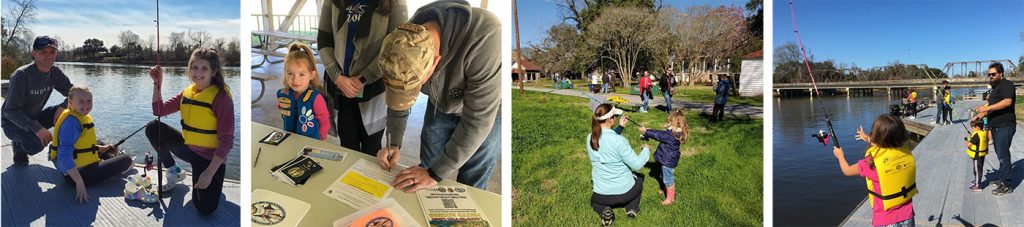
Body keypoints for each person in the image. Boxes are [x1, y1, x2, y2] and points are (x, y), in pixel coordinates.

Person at [374, 1, 501, 193]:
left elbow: (478, 121)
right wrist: (393, 142)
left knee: (472, 177)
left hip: (485, 112)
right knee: (425, 168)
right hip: (440, 105)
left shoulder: (486, 34)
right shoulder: (404, 39)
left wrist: (435, 174)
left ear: (435, 62)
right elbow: (398, 100)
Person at [145, 48, 235, 214]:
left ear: (214, 71)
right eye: (194, 67)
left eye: (204, 68)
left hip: (208, 159)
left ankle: (210, 179)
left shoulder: (222, 99)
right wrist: (157, 83)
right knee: (153, 127)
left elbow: (227, 141)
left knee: (205, 208)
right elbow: (159, 110)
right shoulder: (187, 93)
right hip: (188, 149)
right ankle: (174, 171)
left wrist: (209, 173)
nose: (198, 73)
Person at [319, 0, 408, 156]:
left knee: (372, 145)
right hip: (340, 83)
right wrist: (337, 76)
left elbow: (397, 46)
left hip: (375, 83)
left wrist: (364, 77)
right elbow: (324, 39)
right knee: (347, 142)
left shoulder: (395, 2)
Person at [50, 85, 133, 203]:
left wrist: (102, 148)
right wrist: (79, 182)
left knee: (100, 143)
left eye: (89, 101)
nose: (86, 105)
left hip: (79, 167)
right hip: (79, 175)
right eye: (81, 101)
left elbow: (81, 147)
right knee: (126, 160)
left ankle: (108, 160)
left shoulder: (77, 115)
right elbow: (63, 156)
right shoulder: (72, 123)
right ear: (70, 102)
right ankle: (114, 164)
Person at [833, 114, 917, 227]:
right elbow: (887, 143)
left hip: (885, 220)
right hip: (908, 217)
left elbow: (847, 170)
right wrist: (867, 138)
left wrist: (840, 156)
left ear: (877, 136)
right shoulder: (905, 152)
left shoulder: (871, 164)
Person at [2, 36, 73, 166]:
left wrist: (64, 107)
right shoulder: (21, 75)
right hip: (11, 123)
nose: (49, 56)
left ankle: (68, 148)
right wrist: (37, 129)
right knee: (36, 145)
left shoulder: (55, 72)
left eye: (52, 52)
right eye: (43, 52)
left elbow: (73, 93)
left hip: (34, 116)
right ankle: (18, 146)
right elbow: (10, 111)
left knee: (74, 108)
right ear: (34, 53)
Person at [587, 104, 650, 226]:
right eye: (615, 116)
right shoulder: (620, 141)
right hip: (625, 193)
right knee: (640, 179)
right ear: (610, 119)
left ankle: (604, 210)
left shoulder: (590, 138)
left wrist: (621, 127)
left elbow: (606, 137)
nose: (615, 118)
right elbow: (637, 165)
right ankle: (632, 207)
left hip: (602, 196)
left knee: (594, 202)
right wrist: (646, 149)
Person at [972, 62, 1016, 195]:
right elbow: (992, 106)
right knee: (999, 154)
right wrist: (981, 114)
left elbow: (1007, 102)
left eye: (993, 74)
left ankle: (1007, 184)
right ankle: (1002, 178)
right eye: (989, 74)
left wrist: (987, 108)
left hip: (1005, 126)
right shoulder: (996, 88)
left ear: (1001, 74)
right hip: (996, 127)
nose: (990, 76)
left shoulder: (1006, 84)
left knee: (1003, 156)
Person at [277, 43, 331, 140]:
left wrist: (321, 137)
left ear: (312, 75)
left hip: (310, 142)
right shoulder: (284, 94)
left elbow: (324, 122)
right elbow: (281, 108)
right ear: (285, 73)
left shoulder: (316, 98)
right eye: (290, 73)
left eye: (301, 74)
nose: (295, 79)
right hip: (290, 139)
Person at [639, 109, 688, 205]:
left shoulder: (671, 135)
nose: (668, 124)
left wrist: (646, 132)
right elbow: (660, 133)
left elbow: (659, 135)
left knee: (668, 179)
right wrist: (649, 130)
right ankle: (664, 188)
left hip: (668, 161)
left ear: (675, 123)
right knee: (664, 176)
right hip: (667, 159)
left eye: (669, 122)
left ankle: (670, 198)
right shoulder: (675, 132)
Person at [965, 119, 988, 192]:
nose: (972, 129)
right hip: (981, 155)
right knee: (978, 169)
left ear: (977, 127)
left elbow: (969, 144)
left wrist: (966, 141)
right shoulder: (983, 133)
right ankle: (976, 180)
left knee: (977, 170)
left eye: (973, 128)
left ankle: (978, 186)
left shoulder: (976, 135)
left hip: (977, 155)